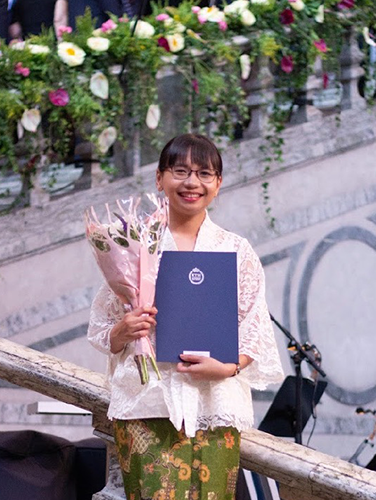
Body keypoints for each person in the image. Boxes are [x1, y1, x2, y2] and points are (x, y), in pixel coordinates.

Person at [87, 134, 284, 500]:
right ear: (159, 178)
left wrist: (227, 368)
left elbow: (255, 330)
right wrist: (124, 330)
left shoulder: (236, 250)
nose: (192, 182)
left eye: (204, 173)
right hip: (148, 403)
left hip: (215, 405)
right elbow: (102, 328)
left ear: (218, 184)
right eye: (180, 171)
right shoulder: (134, 245)